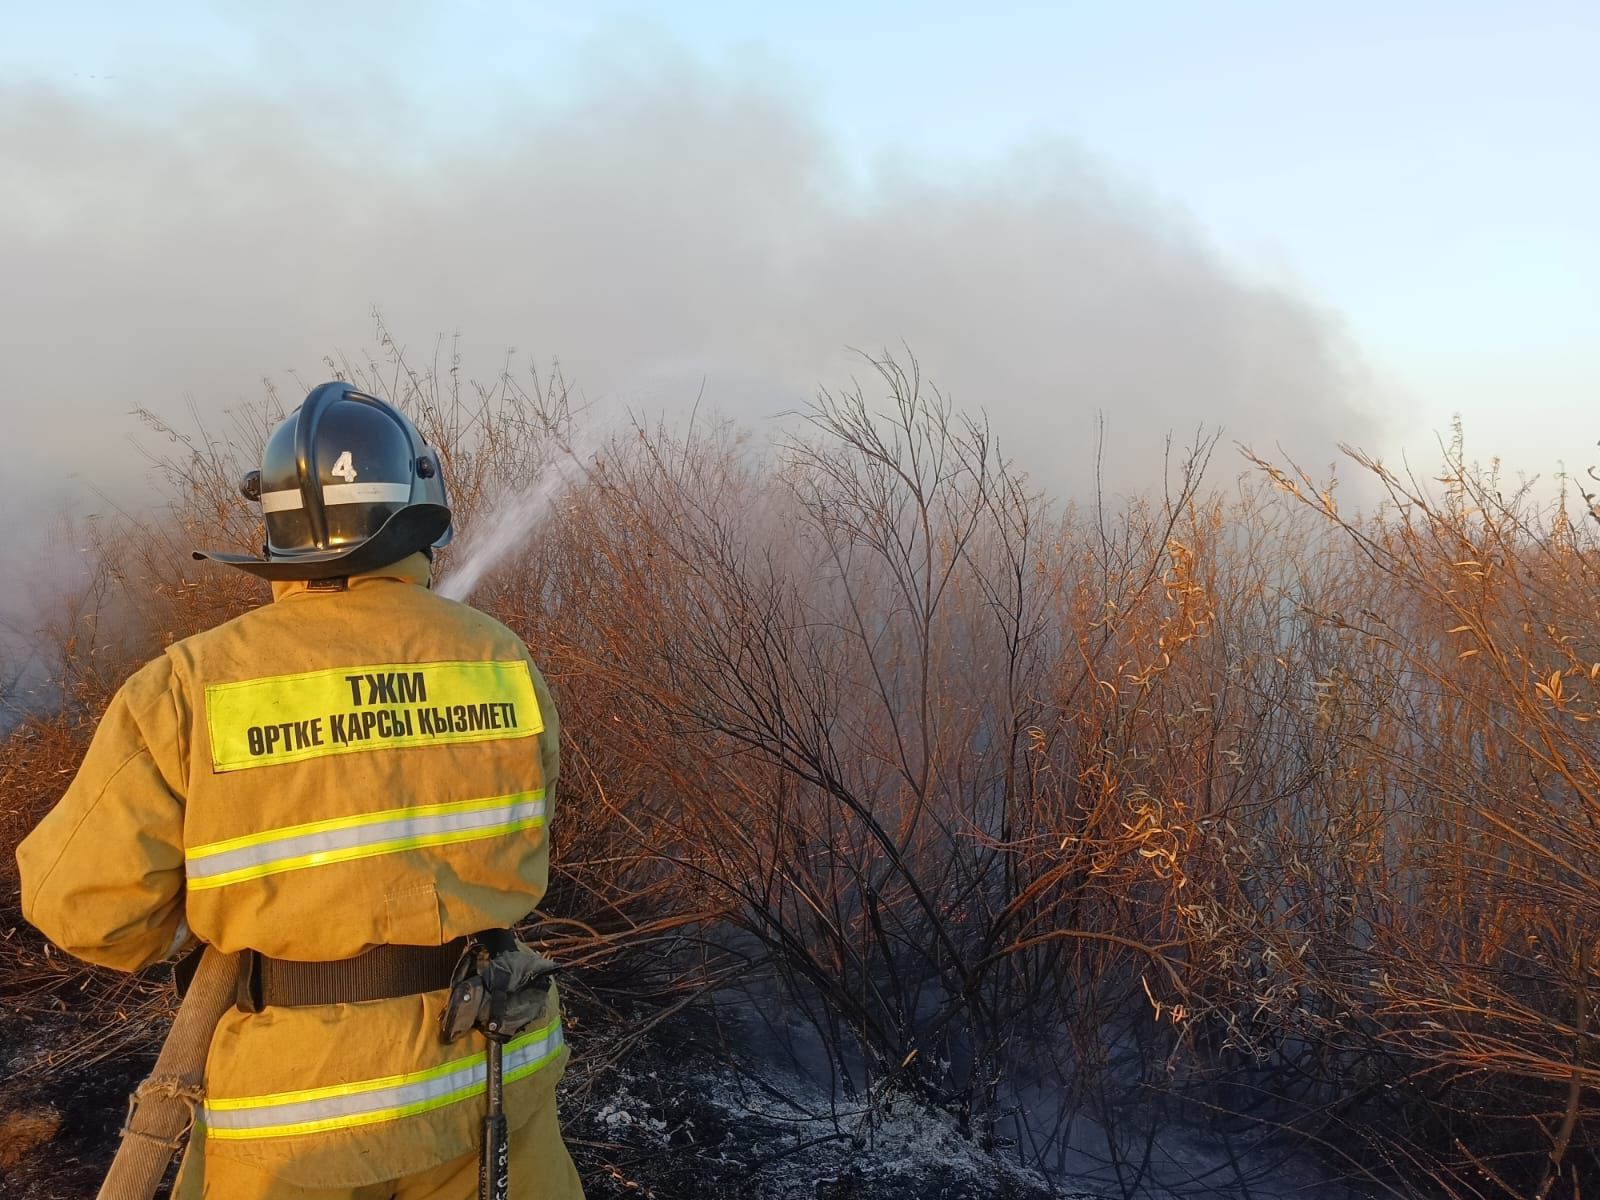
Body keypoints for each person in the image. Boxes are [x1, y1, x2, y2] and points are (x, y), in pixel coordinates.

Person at [16, 382, 585, 1199]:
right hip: (495, 1065)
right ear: (419, 505)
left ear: (276, 527)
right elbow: (528, 832)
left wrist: (221, 916)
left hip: (298, 1115)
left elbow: (87, 907)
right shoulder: (499, 657)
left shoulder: (189, 683)